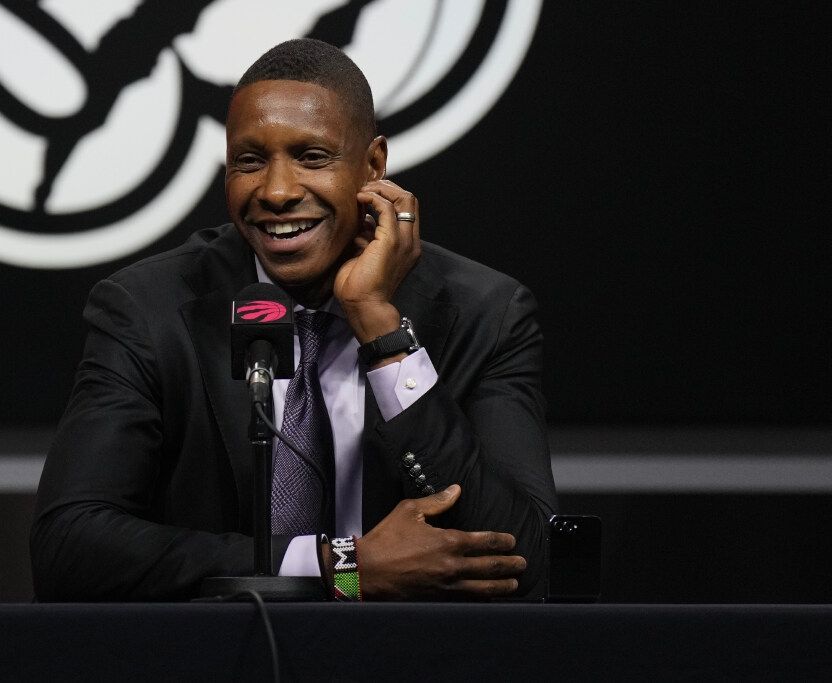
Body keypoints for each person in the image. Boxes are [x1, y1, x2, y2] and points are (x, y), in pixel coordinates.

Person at [31, 38, 557, 601]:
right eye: (249, 161)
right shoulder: (149, 310)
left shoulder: (486, 314)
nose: (276, 192)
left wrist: (381, 331)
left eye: (312, 157)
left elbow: (528, 564)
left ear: (374, 165)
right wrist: (341, 569)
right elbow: (69, 547)